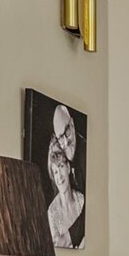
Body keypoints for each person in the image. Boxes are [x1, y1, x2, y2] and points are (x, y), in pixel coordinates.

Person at [46, 104, 85, 248]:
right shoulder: (52, 212)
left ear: (73, 125)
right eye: (60, 137)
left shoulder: (81, 199)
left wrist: (70, 237)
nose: (65, 142)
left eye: (67, 132)